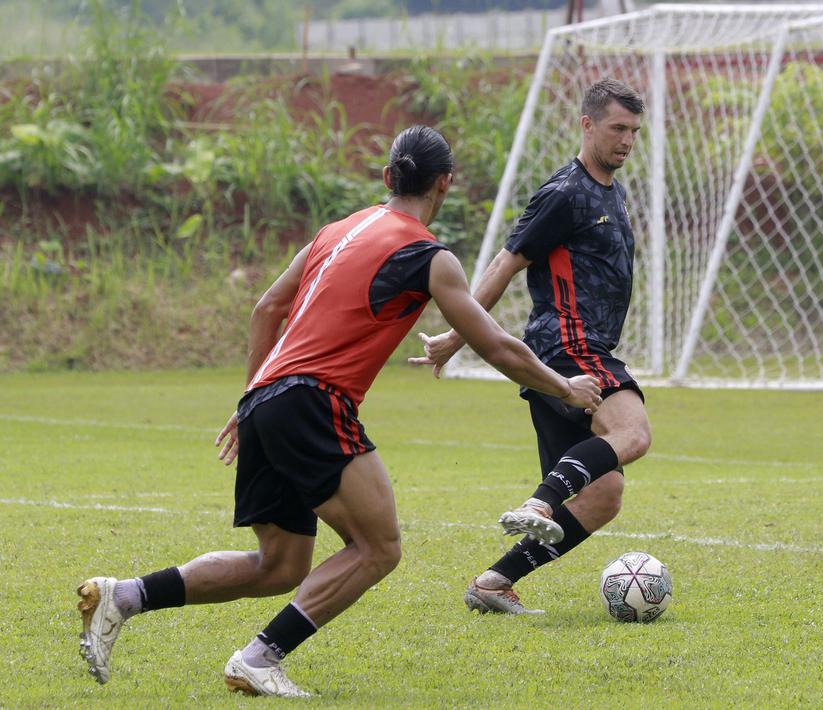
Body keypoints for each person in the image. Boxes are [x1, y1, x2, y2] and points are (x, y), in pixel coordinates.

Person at [75, 126, 602, 697]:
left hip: (267, 399)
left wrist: (252, 397)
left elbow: (266, 308)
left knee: (279, 566)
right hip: (313, 400)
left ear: (387, 177)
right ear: (445, 184)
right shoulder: (430, 256)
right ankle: (259, 657)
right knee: (380, 547)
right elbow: (496, 346)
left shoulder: (334, 232)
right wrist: (564, 388)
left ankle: (124, 595)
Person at [413, 79, 651, 614]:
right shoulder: (565, 193)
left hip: (577, 347)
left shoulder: (614, 192)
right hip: (568, 344)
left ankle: (493, 583)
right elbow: (507, 262)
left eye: (634, 131)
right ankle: (541, 503)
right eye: (617, 128)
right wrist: (457, 335)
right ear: (587, 124)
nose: (627, 140)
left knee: (603, 495)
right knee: (633, 433)